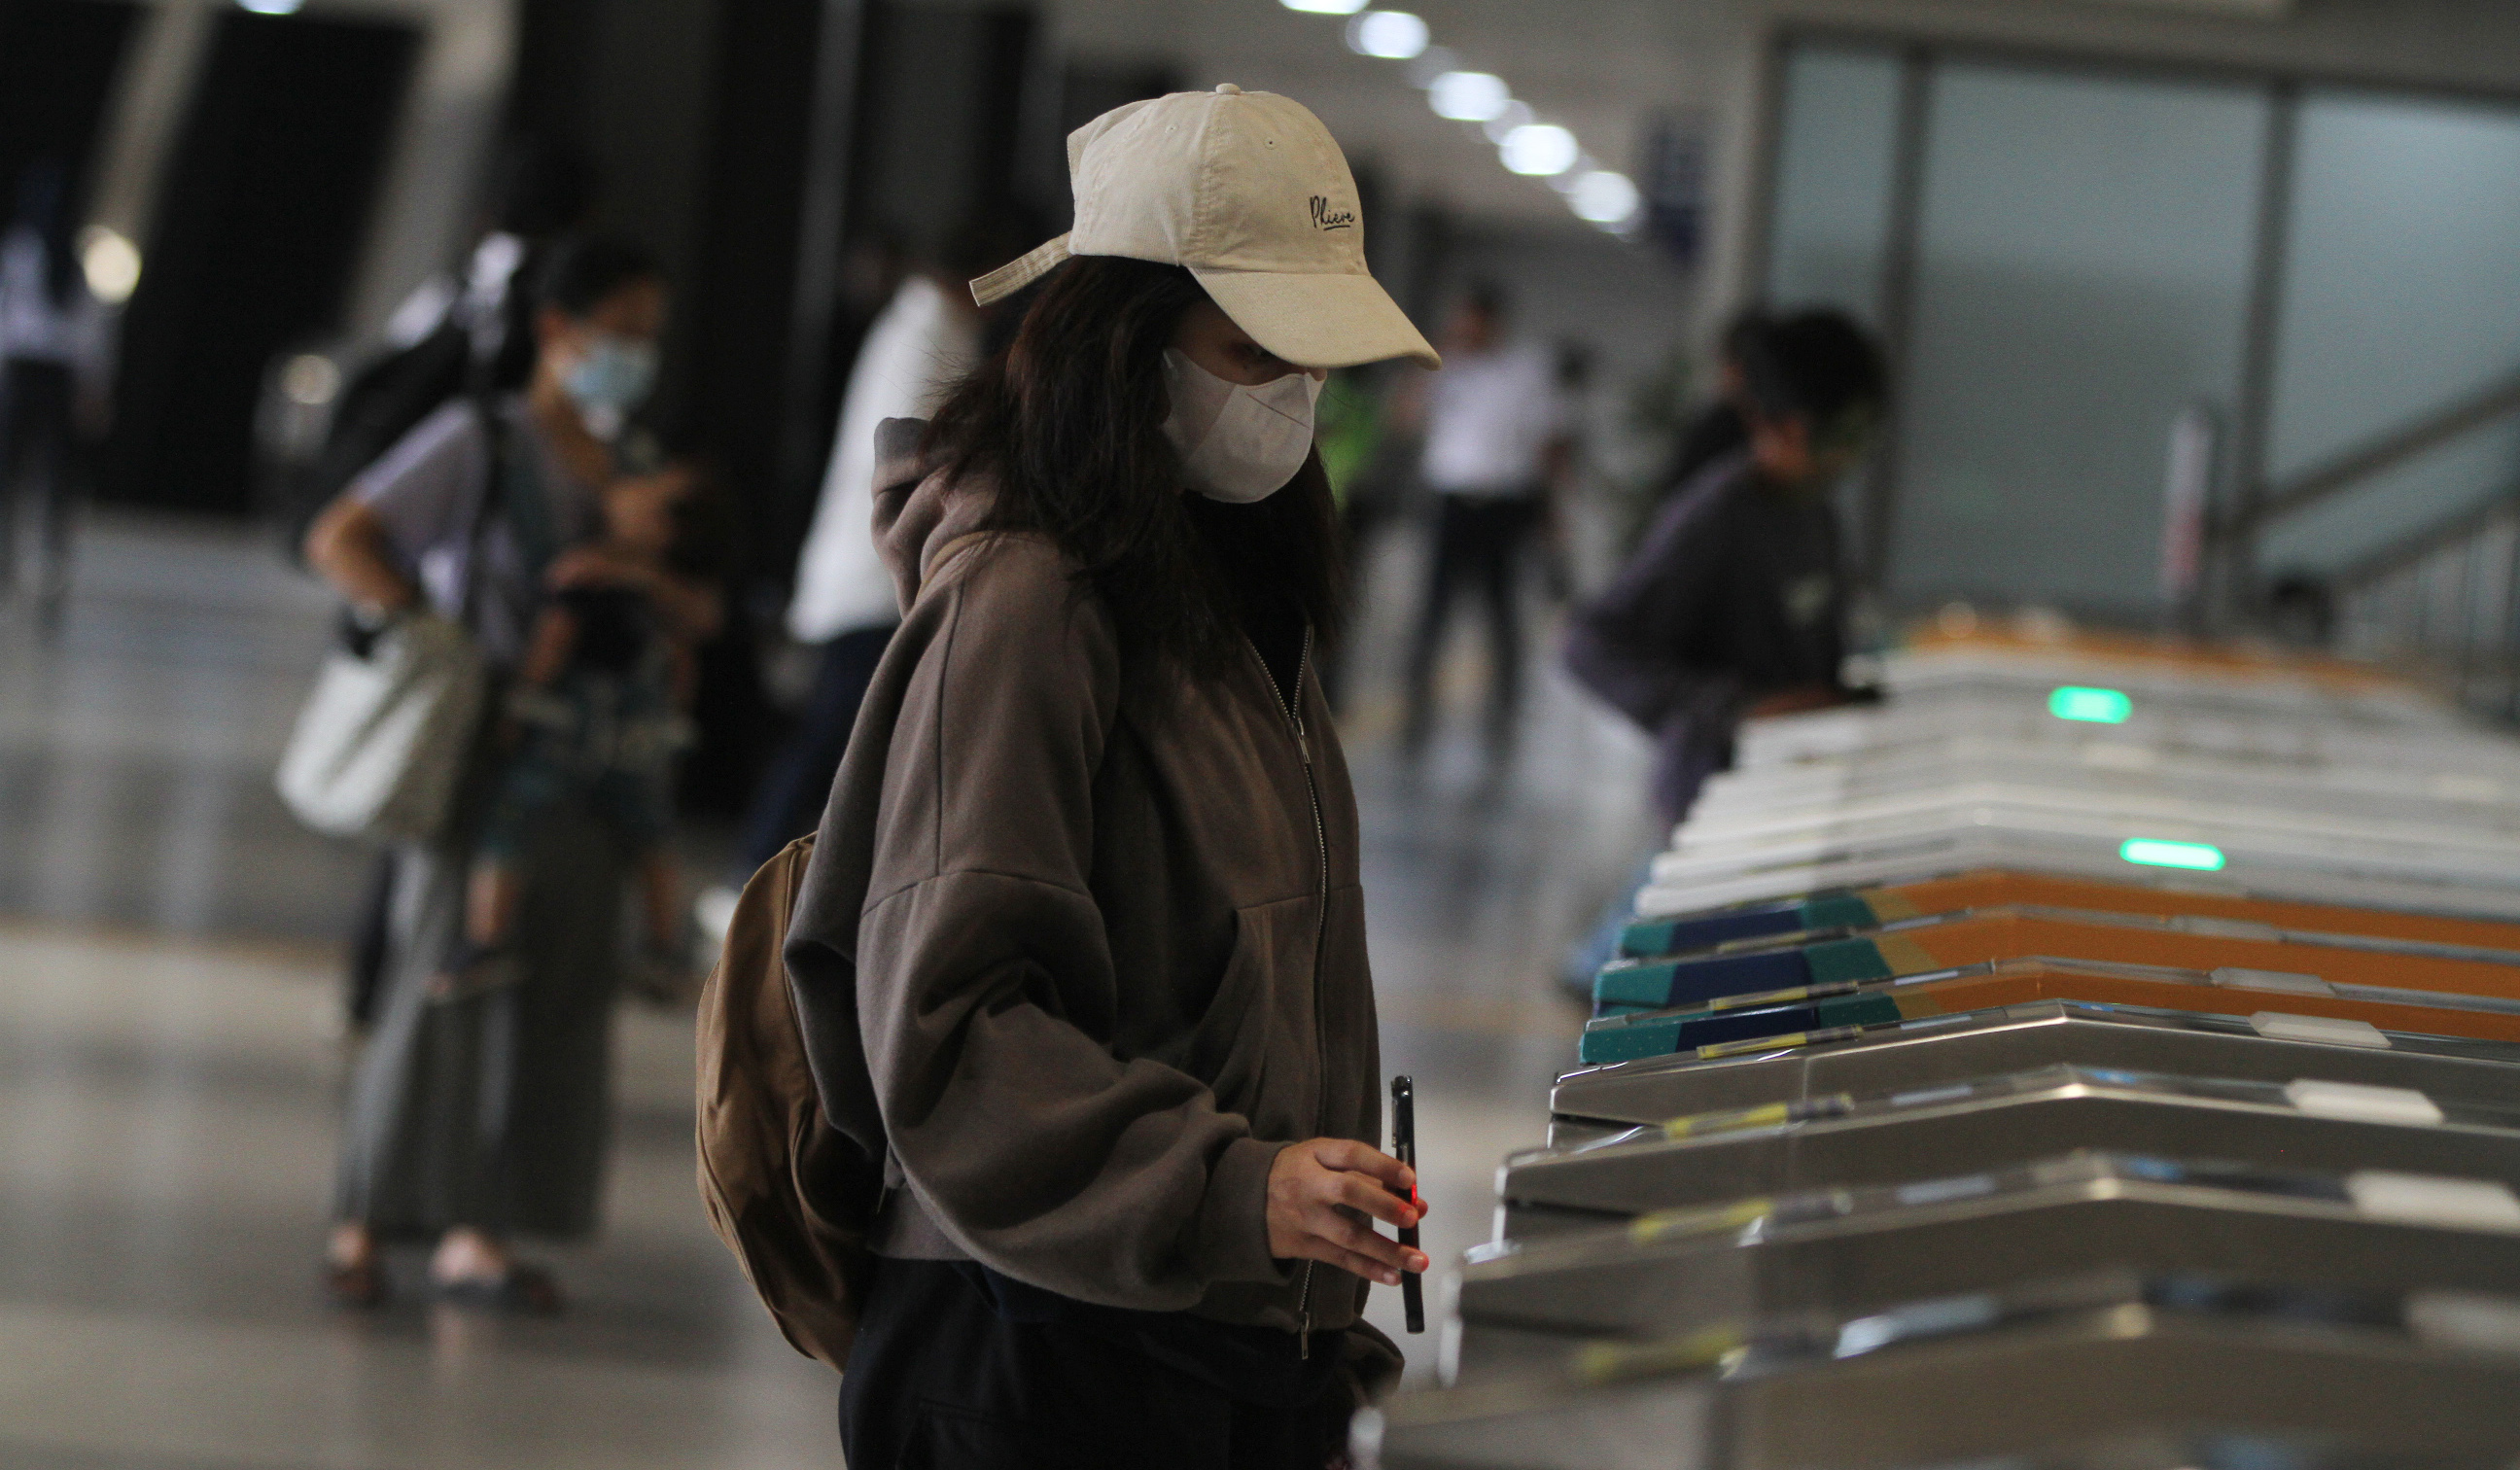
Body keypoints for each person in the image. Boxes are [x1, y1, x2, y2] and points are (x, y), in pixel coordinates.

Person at [781, 85, 1442, 1466]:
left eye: (1310, 357)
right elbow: (950, 1033)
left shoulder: (1234, 598)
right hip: (1040, 1362)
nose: (1293, 392)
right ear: (1123, 340)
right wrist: (1227, 1186)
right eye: (1253, 346)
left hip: (1208, 1340)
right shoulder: (1025, 603)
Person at [303, 237, 709, 1312]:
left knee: (563, 994)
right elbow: (343, 536)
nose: (635, 355)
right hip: (486, 748)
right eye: (619, 331)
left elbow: (689, 593)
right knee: (444, 975)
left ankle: (483, 1232)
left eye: (647, 337)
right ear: (555, 332)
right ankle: (366, 1218)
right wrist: (430, 637)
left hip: (598, 756)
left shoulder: (634, 463)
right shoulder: (480, 441)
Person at [1558, 309, 1885, 989]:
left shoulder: (1816, 513)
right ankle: (1595, 975)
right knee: (1655, 992)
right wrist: (1734, 710)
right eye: (1846, 435)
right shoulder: (1716, 517)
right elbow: (1590, 645)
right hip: (1714, 802)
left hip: (1781, 794)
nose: (1855, 457)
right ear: (1790, 425)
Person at [725, 224, 1018, 881]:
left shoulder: (926, 327)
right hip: (878, 573)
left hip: (876, 571)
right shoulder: (927, 335)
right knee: (836, 742)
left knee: (841, 742)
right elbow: (919, 463)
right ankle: (754, 875)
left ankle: (764, 874)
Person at [445, 459, 727, 1005]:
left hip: (564, 735)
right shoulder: (673, 593)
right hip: (641, 743)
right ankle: (662, 949)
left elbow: (552, 641)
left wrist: (519, 705)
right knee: (653, 841)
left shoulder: (586, 573)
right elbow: (696, 634)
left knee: (508, 823)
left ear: (666, 528)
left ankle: (487, 939)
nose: (623, 490)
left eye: (644, 490)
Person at [1401, 280, 1571, 752]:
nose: (1465, 329)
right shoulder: (1444, 367)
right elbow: (1405, 418)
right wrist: (1431, 362)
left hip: (1504, 504)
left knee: (1500, 609)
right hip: (1452, 499)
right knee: (1434, 608)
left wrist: (1552, 512)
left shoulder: (1526, 370)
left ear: (1492, 322)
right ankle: (1416, 702)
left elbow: (1547, 441)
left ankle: (1504, 708)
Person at [0, 158, 105, 623]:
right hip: (35, 374)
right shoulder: (26, 253)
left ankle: (47, 573)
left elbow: (92, 328)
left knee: (49, 483)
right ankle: (20, 571)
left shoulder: (51, 256)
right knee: (23, 482)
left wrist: (92, 386)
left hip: (44, 376)